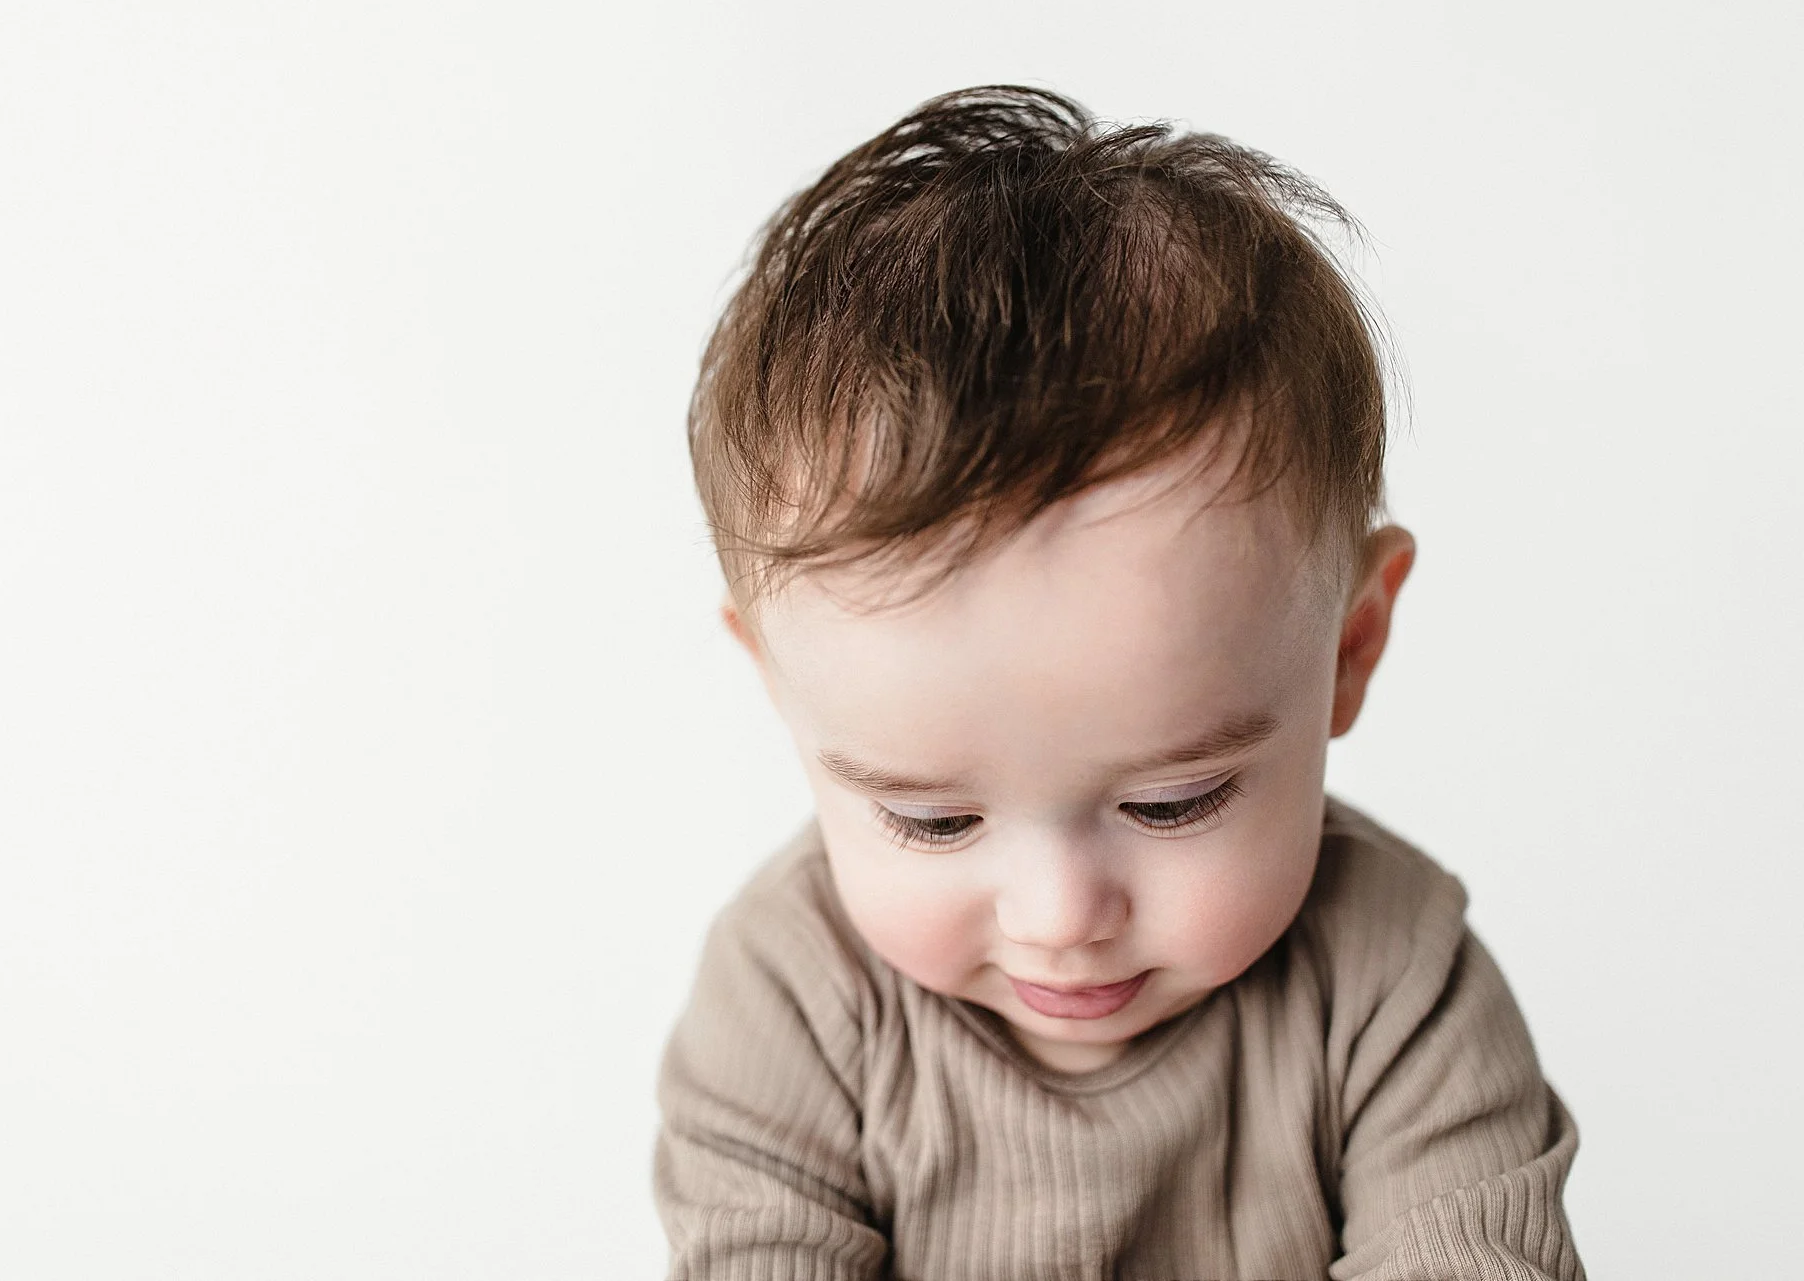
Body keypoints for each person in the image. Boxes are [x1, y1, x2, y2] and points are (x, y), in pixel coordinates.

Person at [654, 85, 1583, 1280]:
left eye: (1171, 802)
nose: (1058, 919)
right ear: (781, 690)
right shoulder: (790, 1000)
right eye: (932, 821)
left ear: (1349, 646)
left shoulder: (1394, 979)